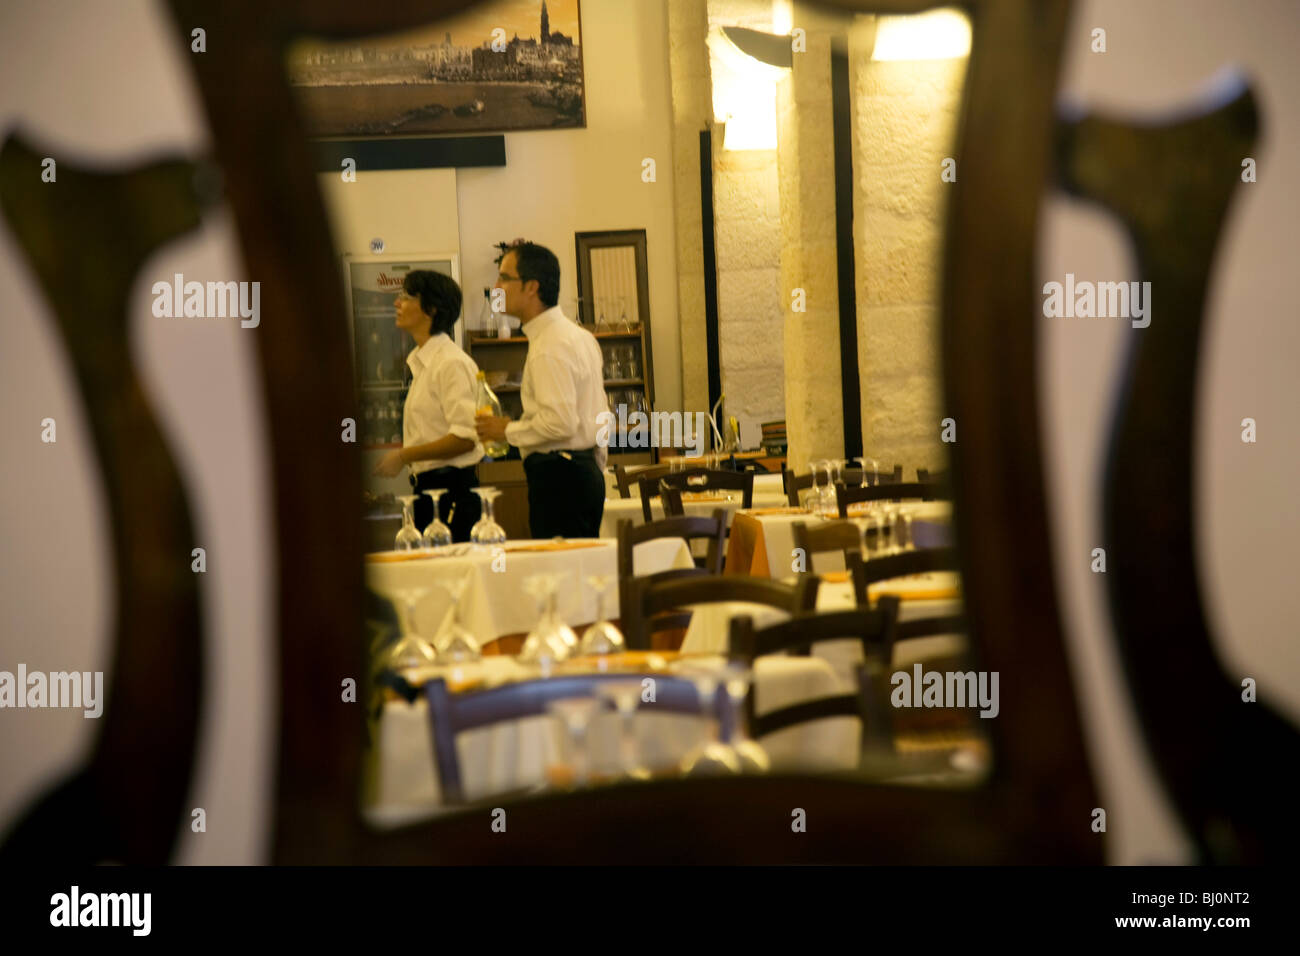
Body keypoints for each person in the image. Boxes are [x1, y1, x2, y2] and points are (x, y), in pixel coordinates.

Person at [475, 242, 606, 538]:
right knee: (577, 576)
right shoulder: (578, 336)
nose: (496, 287)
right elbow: (600, 416)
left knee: (560, 578)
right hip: (579, 472)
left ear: (531, 287)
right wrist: (592, 466)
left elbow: (559, 423)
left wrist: (505, 430)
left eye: (504, 278)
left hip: (561, 477)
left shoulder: (550, 346)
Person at [373, 270, 483, 541]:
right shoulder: (422, 363)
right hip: (428, 490)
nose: (396, 303)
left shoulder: (450, 363)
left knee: (451, 578)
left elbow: (465, 438)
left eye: (407, 297)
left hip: (451, 491)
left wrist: (403, 456)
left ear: (431, 309)